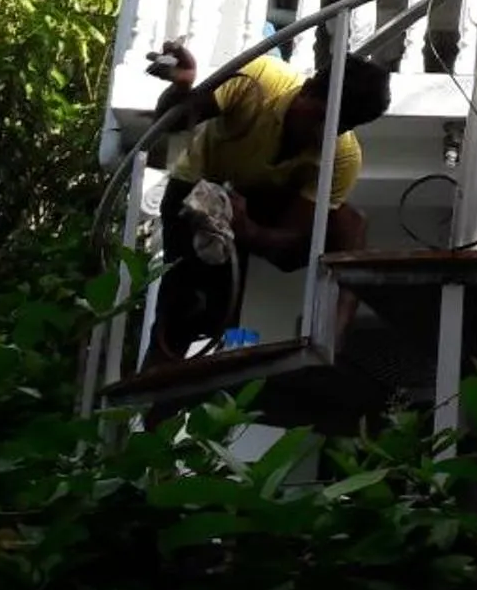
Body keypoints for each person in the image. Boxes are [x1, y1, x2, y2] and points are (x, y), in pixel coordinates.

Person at [142, 40, 390, 367]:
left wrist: (248, 230)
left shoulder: (342, 156)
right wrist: (183, 87)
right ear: (307, 90)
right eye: (319, 118)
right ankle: (157, 387)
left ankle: (330, 350)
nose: (320, 134)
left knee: (350, 224)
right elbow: (171, 121)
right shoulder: (259, 78)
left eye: (335, 129)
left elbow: (293, 237)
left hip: (254, 207)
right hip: (196, 189)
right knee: (186, 307)